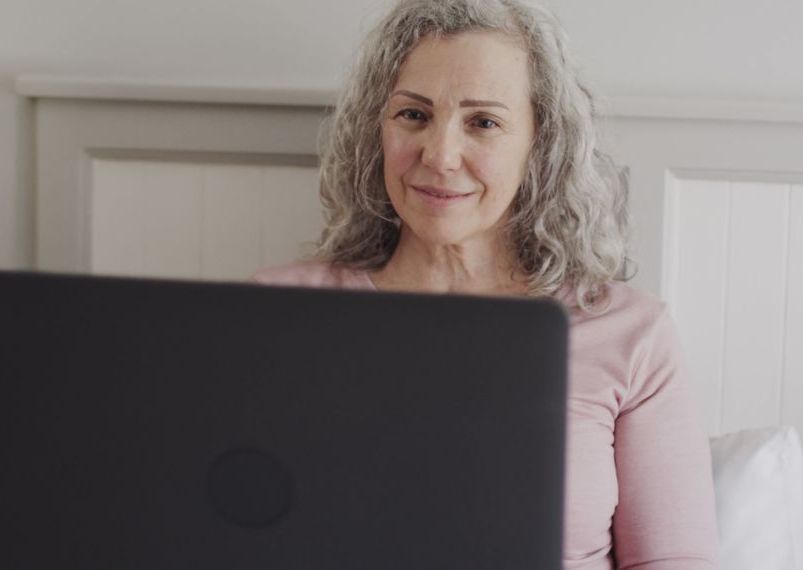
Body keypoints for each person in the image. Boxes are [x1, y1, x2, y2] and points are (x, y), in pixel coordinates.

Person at [251, 0, 719, 567]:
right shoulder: (272, 311)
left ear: (538, 143)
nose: (441, 154)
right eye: (413, 115)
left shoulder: (631, 333)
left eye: (484, 122)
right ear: (378, 126)